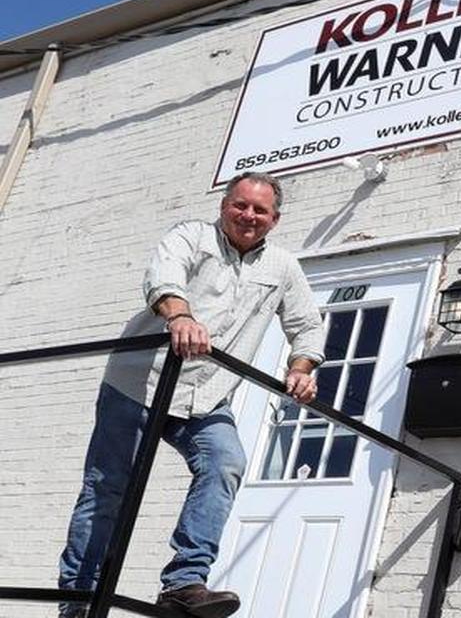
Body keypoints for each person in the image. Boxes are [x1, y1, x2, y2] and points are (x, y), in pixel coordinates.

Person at [58, 172, 325, 618]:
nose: (249, 216)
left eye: (260, 210)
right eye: (240, 205)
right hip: (137, 383)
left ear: (274, 219)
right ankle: (78, 600)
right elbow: (164, 277)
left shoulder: (282, 267)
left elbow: (307, 325)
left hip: (206, 397)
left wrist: (301, 369)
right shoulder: (190, 236)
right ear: (224, 207)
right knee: (107, 491)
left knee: (226, 463)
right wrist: (179, 316)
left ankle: (184, 581)